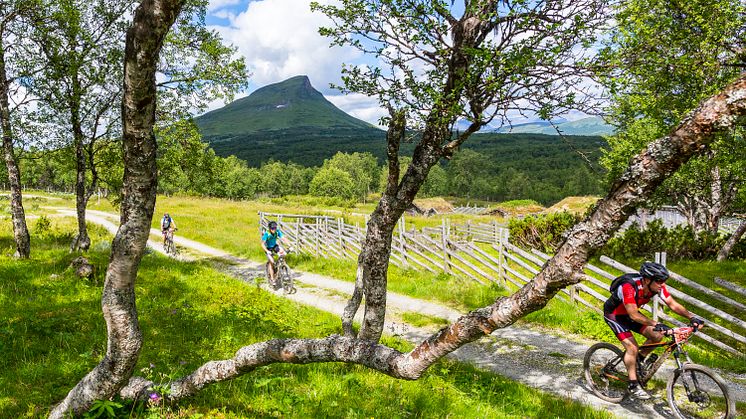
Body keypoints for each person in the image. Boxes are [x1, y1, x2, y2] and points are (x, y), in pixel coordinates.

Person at [603, 261, 704, 400]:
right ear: (647, 280)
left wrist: (692, 317)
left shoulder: (658, 287)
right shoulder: (628, 287)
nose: (662, 284)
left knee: (657, 336)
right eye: (659, 281)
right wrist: (656, 323)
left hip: (631, 315)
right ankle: (632, 385)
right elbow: (633, 314)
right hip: (614, 316)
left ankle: (638, 360)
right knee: (632, 347)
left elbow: (672, 304)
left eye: (663, 281)